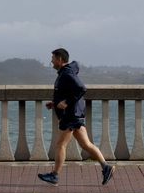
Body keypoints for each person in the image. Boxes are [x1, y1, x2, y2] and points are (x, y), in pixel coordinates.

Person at [37, 48, 115, 186]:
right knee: (86, 144)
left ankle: (54, 175)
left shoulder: (66, 73)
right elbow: (68, 92)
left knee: (61, 145)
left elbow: (81, 89)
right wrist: (55, 104)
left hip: (71, 116)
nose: (51, 61)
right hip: (75, 114)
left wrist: (66, 102)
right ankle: (106, 167)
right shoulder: (65, 72)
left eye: (53, 58)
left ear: (60, 59)